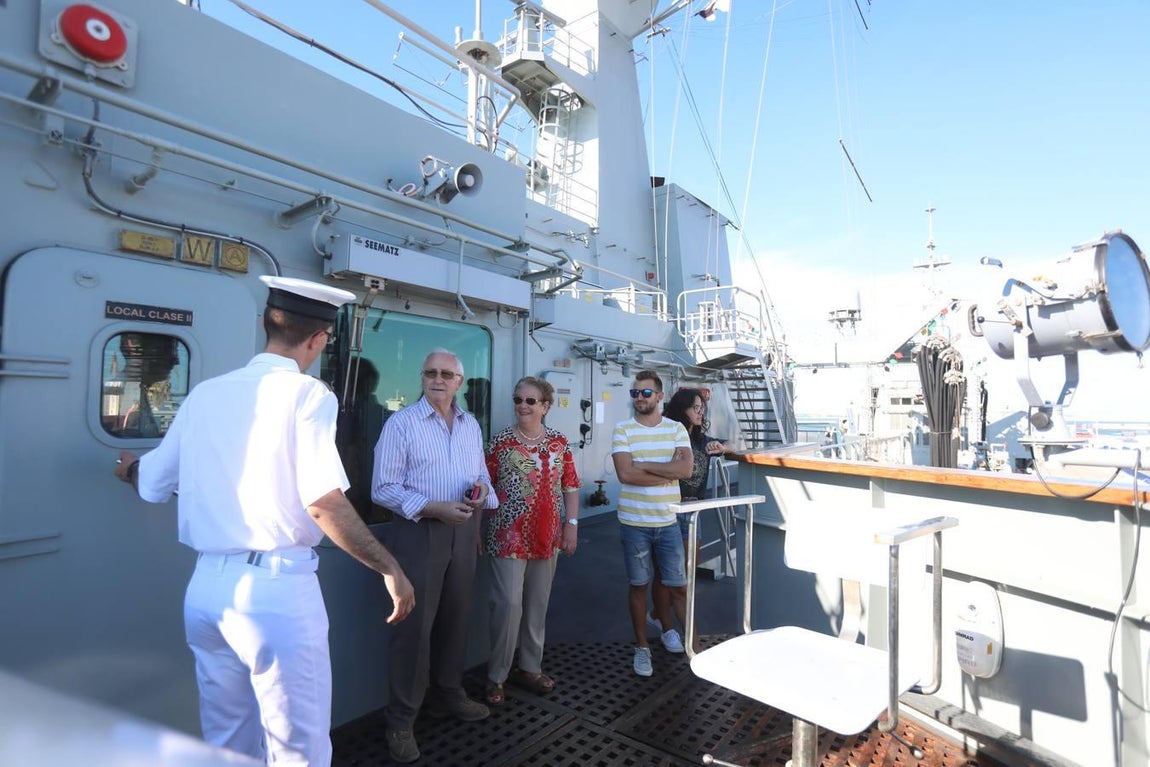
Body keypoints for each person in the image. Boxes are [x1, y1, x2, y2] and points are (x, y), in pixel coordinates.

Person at [113, 275, 415, 767]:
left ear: (265, 324)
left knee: (228, 742)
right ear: (319, 339)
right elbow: (322, 502)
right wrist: (389, 569)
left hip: (206, 591)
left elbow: (152, 481)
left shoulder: (206, 394)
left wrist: (128, 469)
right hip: (276, 594)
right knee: (299, 751)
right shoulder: (308, 395)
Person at [371, 348, 497, 764]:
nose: (438, 379)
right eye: (431, 373)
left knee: (456, 619)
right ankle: (401, 720)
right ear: (422, 378)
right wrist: (432, 506)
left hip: (462, 533)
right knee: (414, 630)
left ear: (459, 381)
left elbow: (479, 474)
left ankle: (448, 694)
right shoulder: (401, 424)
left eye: (446, 374)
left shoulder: (469, 425)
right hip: (419, 533)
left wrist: (480, 493)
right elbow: (382, 489)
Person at [482, 376, 580, 706]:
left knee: (537, 604)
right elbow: (483, 486)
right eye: (518, 399)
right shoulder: (500, 443)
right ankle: (497, 675)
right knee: (507, 605)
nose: (523, 405)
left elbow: (570, 487)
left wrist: (572, 526)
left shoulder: (559, 443)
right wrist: (476, 530)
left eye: (530, 401)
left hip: (548, 534)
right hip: (507, 534)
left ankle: (530, 667)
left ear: (545, 406)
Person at [611, 370, 692, 677]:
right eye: (635, 393)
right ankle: (642, 646)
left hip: (668, 520)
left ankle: (689, 642)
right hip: (634, 522)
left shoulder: (676, 430)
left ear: (660, 396)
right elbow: (625, 475)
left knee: (677, 586)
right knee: (638, 585)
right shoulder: (623, 430)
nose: (640, 398)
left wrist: (643, 463)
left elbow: (685, 469)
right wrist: (665, 471)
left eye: (646, 393)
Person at [650, 388, 727, 639]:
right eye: (696, 407)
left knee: (685, 572)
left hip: (692, 511)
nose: (700, 411)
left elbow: (730, 445)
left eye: (702, 407)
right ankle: (665, 625)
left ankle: (662, 615)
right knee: (665, 573)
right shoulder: (667, 436)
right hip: (668, 508)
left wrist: (721, 446)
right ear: (682, 410)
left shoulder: (702, 440)